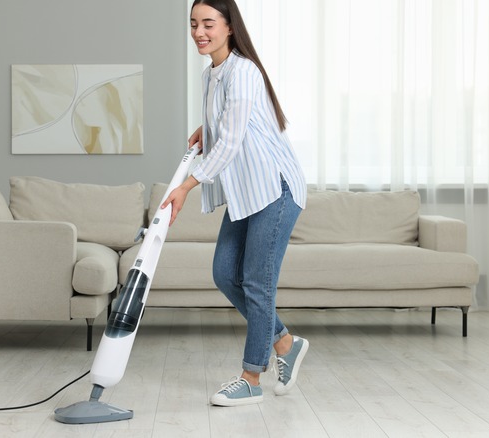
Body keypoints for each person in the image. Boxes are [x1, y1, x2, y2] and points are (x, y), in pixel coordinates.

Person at [162, 0, 311, 407]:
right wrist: (205, 127)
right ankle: (285, 343)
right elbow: (230, 126)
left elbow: (230, 141)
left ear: (229, 27)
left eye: (208, 23)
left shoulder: (243, 71)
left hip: (275, 189)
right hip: (248, 192)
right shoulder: (212, 73)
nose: (198, 32)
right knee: (226, 274)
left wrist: (187, 186)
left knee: (258, 284)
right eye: (193, 24)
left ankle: (251, 378)